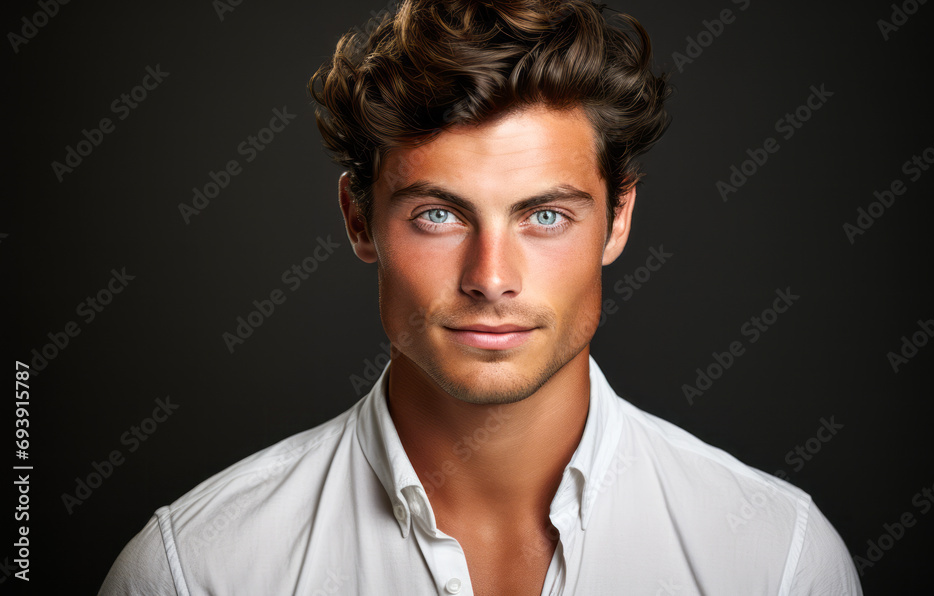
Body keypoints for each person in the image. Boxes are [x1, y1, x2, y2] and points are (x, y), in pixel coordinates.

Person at [99, 1, 862, 594]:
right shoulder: (194, 572)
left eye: (545, 216)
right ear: (358, 219)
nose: (490, 278)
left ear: (618, 219)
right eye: (438, 214)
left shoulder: (777, 561)